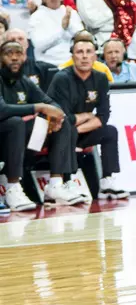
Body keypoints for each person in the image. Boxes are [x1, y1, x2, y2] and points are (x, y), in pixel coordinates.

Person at [0, 36, 83, 208]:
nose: (14, 58)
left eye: (18, 53)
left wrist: (53, 115)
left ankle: (55, 185)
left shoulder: (24, 81)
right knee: (15, 122)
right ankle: (12, 188)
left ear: (25, 57)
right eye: (9, 54)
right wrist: (39, 108)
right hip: (3, 139)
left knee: (63, 122)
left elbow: (51, 104)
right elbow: (2, 110)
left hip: (22, 140)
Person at [47, 31, 129, 200]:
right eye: (79, 52)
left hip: (77, 131)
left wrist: (79, 127)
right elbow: (63, 118)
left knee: (110, 131)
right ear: (73, 56)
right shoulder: (61, 78)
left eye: (88, 52)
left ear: (95, 56)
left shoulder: (100, 78)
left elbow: (103, 116)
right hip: (56, 133)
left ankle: (107, 181)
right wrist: (86, 115)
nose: (84, 57)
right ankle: (68, 182)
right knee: (67, 129)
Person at [29, 0, 84, 68]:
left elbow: (81, 37)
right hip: (46, 64)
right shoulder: (36, 17)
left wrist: (69, 25)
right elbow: (39, 45)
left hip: (71, 62)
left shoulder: (70, 13)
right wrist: (62, 30)